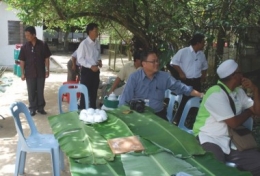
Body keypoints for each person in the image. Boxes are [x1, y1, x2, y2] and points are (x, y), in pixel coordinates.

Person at [193, 59, 260, 175]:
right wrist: (249, 113)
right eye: (240, 73)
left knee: (257, 162)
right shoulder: (215, 93)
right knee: (216, 168)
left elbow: (257, 111)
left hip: (231, 140)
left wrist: (255, 89)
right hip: (210, 138)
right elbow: (233, 123)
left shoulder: (238, 91)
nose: (242, 76)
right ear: (234, 76)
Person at [119, 51, 203, 121]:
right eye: (153, 61)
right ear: (144, 64)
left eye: (157, 61)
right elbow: (124, 100)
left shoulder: (164, 77)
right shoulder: (134, 77)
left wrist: (201, 95)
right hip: (138, 114)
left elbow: (183, 88)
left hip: (158, 115)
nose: (156, 63)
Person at [170, 33, 208, 124]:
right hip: (186, 81)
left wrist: (203, 77)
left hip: (197, 81)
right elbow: (173, 62)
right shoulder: (183, 51)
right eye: (203, 42)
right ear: (198, 43)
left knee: (197, 101)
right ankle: (178, 121)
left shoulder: (201, 55)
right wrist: (181, 72)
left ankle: (193, 121)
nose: (204, 45)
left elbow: (205, 67)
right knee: (183, 102)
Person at [19, 26, 51, 116]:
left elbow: (46, 58)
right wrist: (22, 73)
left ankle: (41, 108)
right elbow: (22, 60)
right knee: (31, 91)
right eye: (25, 35)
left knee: (40, 91)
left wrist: (47, 70)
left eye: (28, 35)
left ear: (34, 35)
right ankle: (32, 108)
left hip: (41, 72)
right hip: (29, 73)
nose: (27, 37)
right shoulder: (24, 47)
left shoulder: (43, 45)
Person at [77, 23, 101, 109]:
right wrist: (90, 66)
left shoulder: (97, 43)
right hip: (87, 71)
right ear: (90, 32)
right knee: (85, 92)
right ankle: (83, 111)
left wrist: (99, 61)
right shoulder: (84, 44)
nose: (97, 32)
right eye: (95, 31)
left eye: (97, 30)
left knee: (94, 93)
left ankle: (93, 110)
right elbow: (80, 59)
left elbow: (98, 55)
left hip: (96, 71)